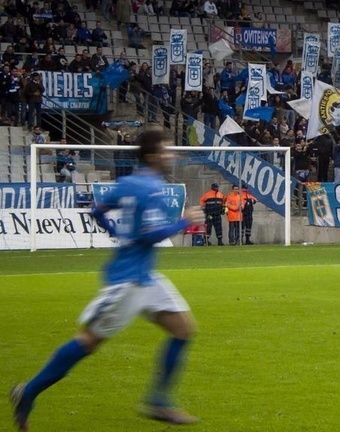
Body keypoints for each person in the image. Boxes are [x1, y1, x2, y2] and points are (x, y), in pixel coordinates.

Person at [10, 129, 205, 430]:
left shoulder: (128, 183)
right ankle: (28, 392)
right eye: (166, 151)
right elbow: (147, 236)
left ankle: (159, 401)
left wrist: (116, 232)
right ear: (153, 156)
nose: (172, 155)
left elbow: (97, 210)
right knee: (88, 342)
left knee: (183, 329)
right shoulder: (150, 188)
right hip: (128, 281)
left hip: (145, 276)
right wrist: (184, 222)